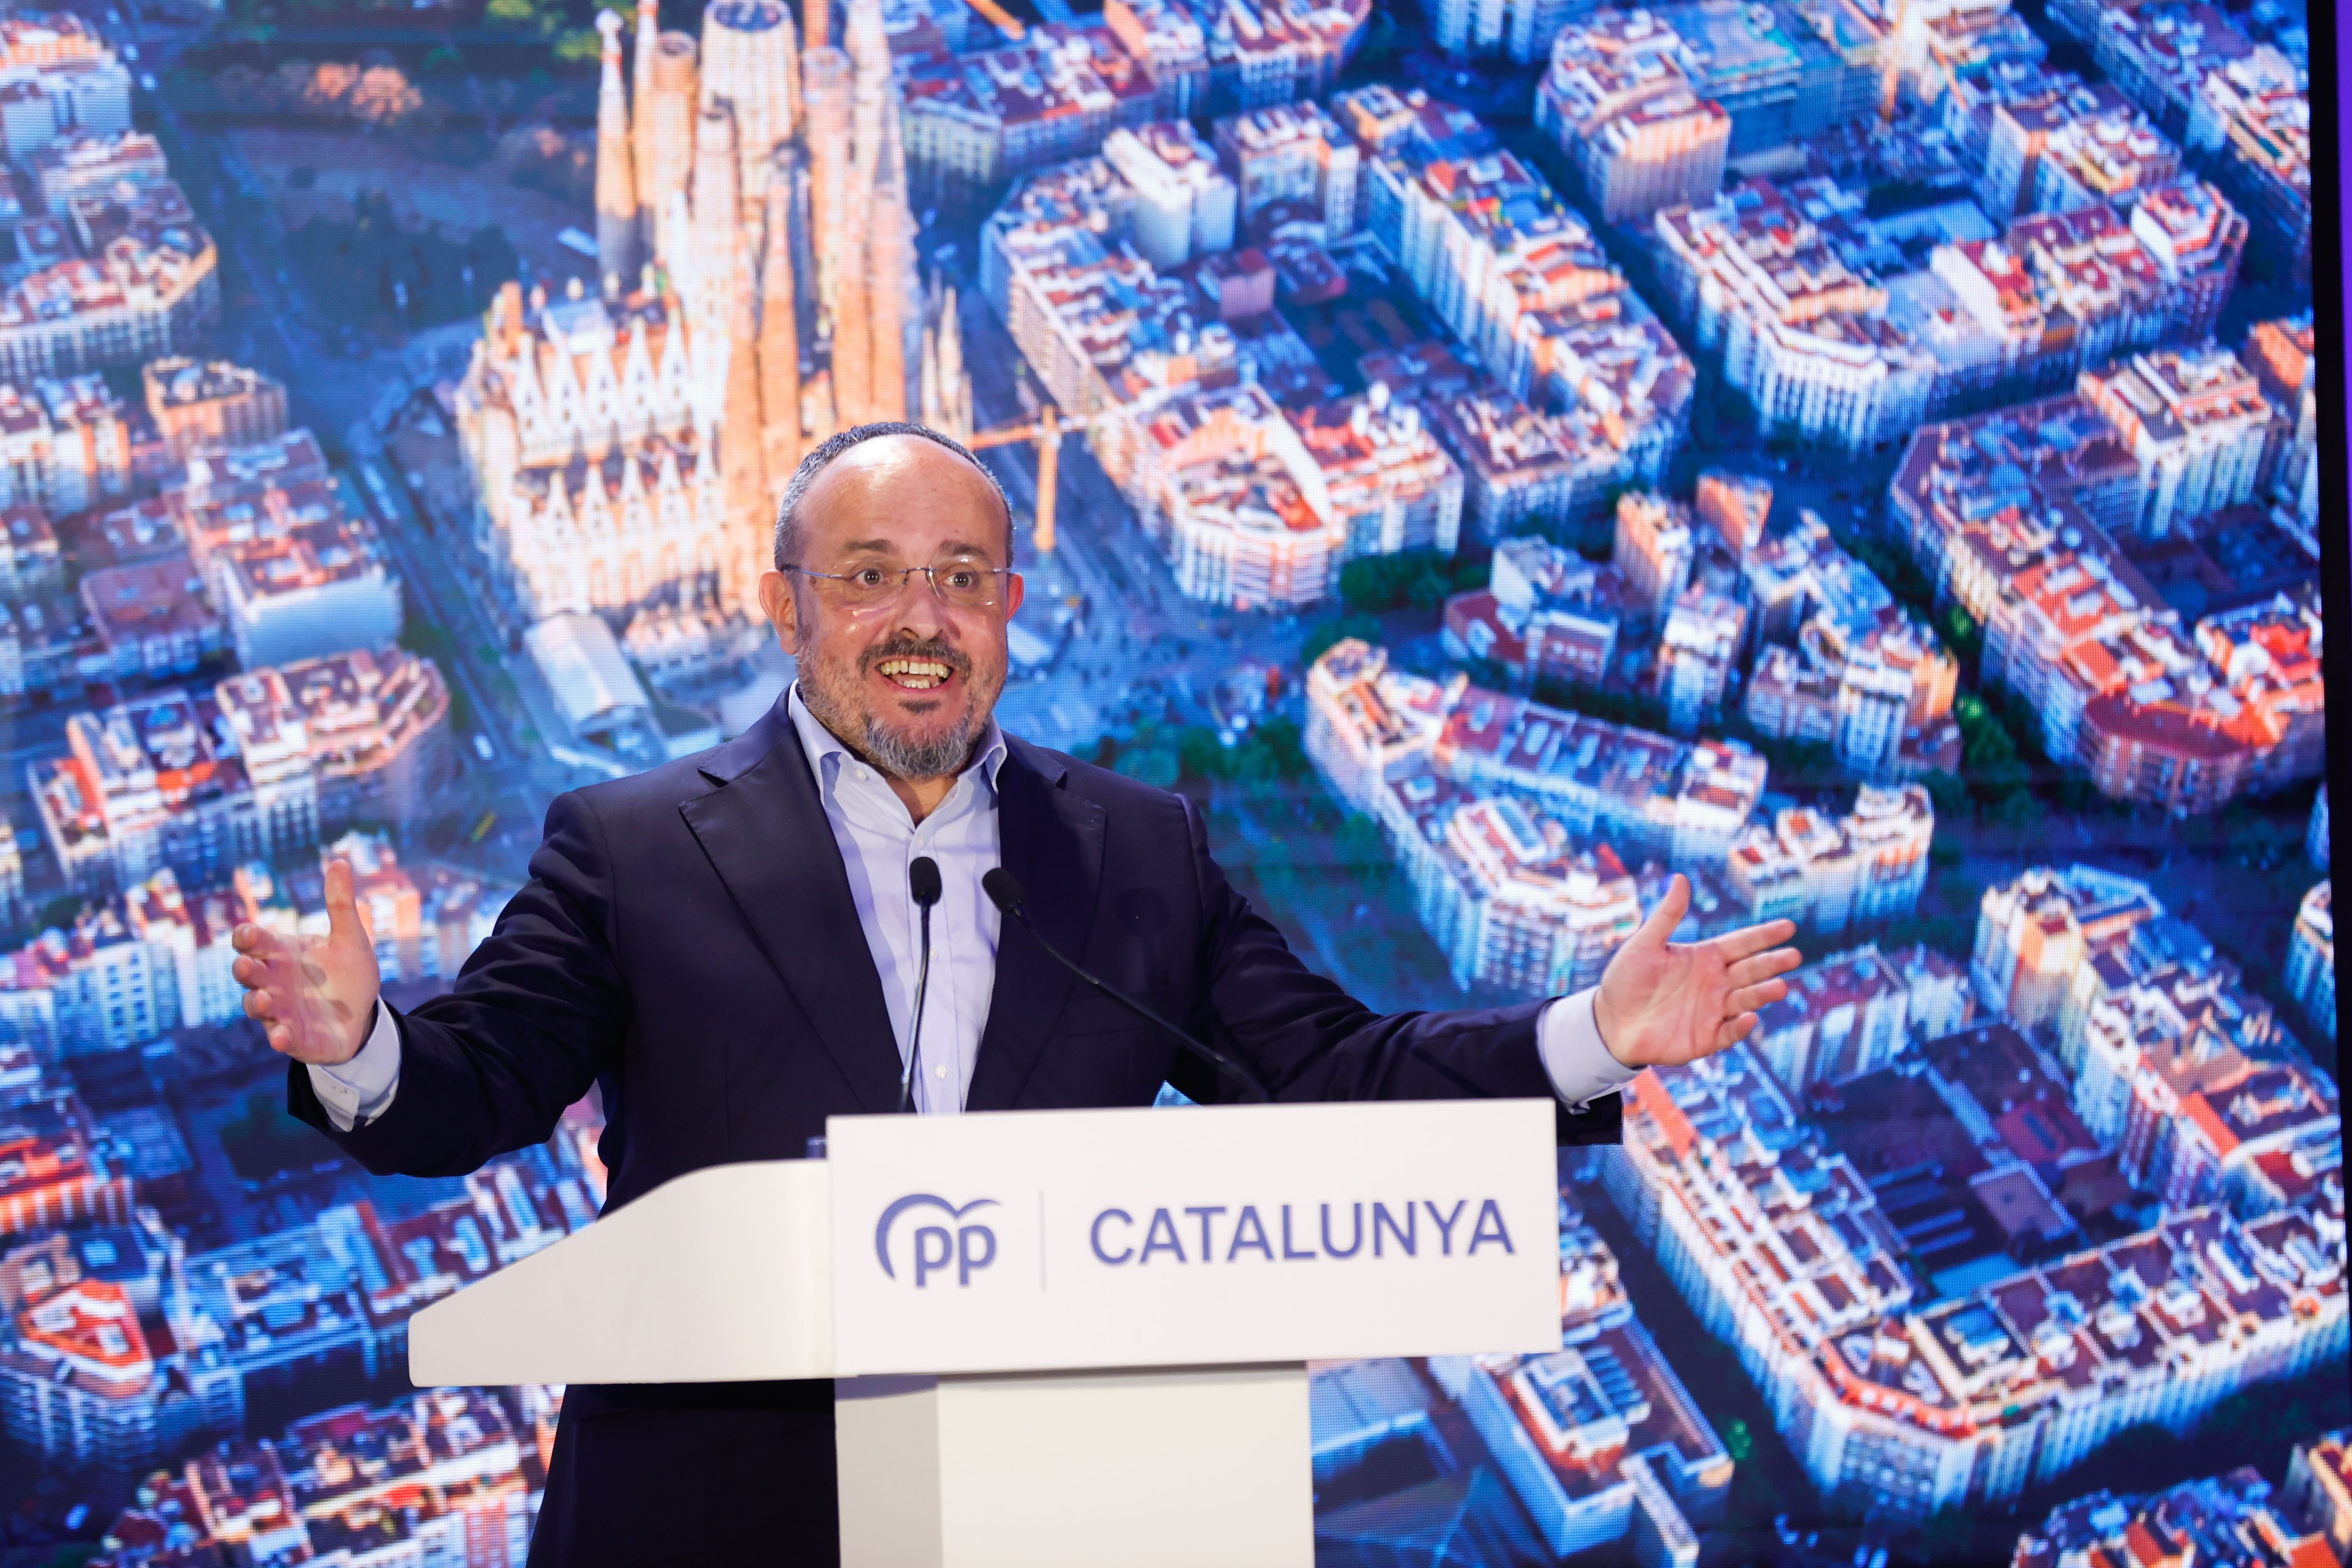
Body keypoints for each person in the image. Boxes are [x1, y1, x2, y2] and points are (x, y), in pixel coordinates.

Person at [231, 422, 1803, 1566]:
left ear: (1007, 612)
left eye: (961, 576)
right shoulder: (633, 847)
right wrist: (362, 1045)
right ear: (789, 604)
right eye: (870, 576)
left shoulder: (1140, 855)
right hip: (707, 1520)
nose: (920, 618)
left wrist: (1593, 1035)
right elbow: (477, 1084)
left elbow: (1334, 1080)